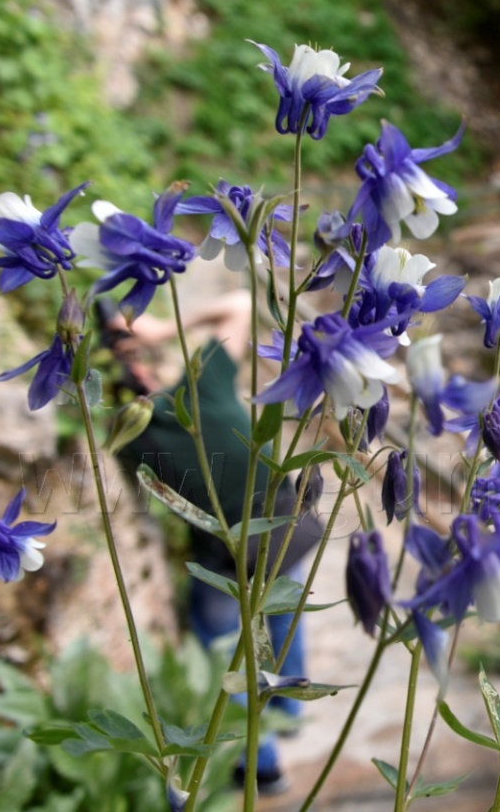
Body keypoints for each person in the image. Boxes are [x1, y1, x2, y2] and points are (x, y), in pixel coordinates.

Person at [107, 292, 323, 797]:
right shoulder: (204, 387)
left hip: (233, 554)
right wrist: (160, 328)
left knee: (222, 652)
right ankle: (287, 711)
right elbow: (241, 302)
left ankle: (263, 761)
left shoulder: (130, 437)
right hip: (288, 531)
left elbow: (144, 508)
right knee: (284, 607)